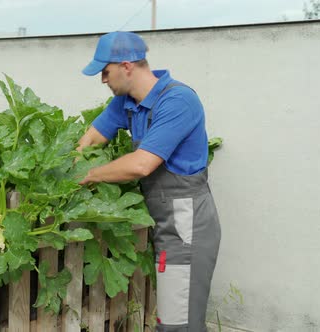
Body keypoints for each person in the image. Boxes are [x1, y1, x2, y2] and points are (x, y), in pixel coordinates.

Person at [77, 31, 221, 332]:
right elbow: (92, 137)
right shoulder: (126, 101)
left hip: (186, 223)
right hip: (166, 220)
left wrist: (89, 175)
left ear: (127, 66)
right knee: (171, 318)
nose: (102, 79)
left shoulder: (178, 100)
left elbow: (142, 165)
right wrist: (71, 164)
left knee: (179, 324)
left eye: (105, 72)